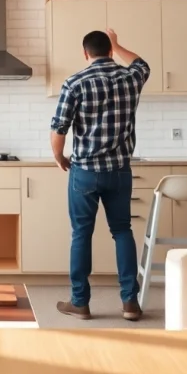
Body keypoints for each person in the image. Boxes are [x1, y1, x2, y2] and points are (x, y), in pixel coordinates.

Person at [49, 28, 149, 322]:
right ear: (109, 50)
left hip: (85, 172)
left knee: (81, 234)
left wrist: (59, 157)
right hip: (119, 171)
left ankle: (80, 303)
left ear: (85, 53)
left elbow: (59, 129)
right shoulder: (131, 78)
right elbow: (142, 63)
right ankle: (130, 303)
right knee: (122, 232)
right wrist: (118, 45)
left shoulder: (75, 82)